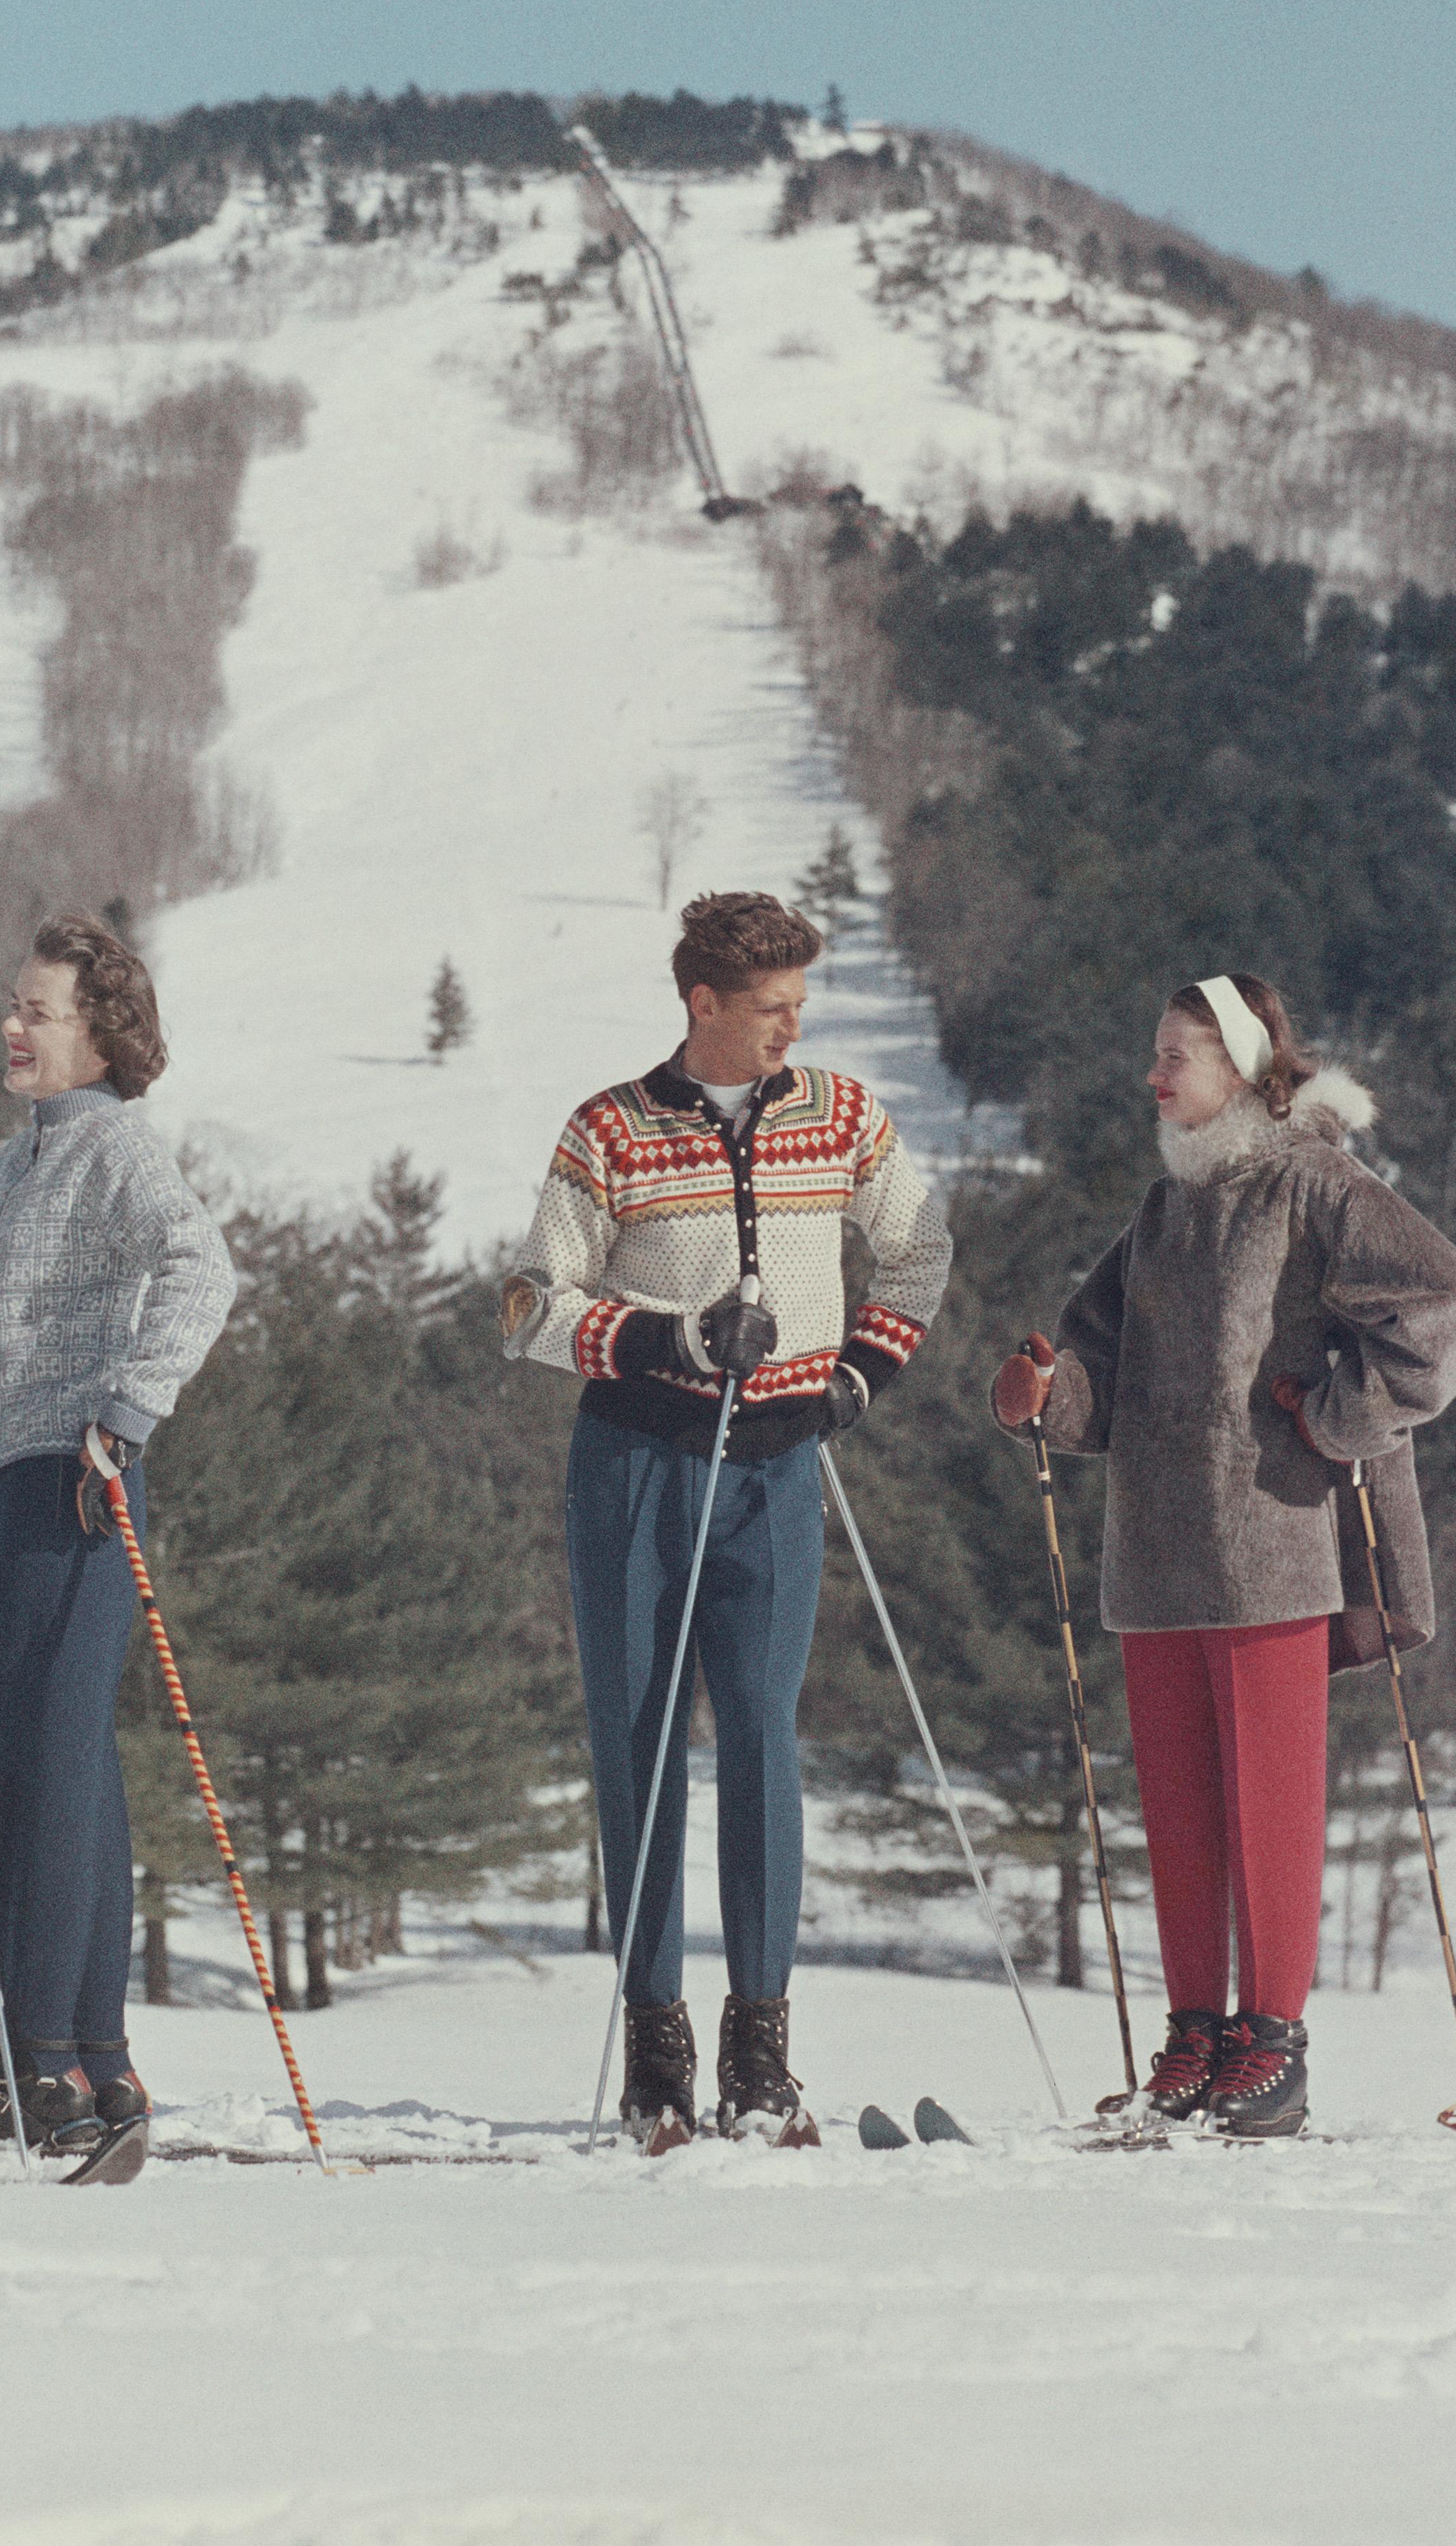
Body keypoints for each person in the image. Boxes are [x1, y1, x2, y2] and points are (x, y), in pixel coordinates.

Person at [990, 973, 1456, 2138]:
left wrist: (1335, 1417)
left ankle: (1271, 2041)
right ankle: (1196, 2035)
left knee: (1267, 1800)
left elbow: (1452, 1305)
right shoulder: (1166, 1210)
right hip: (1155, 1550)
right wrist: (1042, 1391)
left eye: (1177, 1054)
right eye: (1154, 1052)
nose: (1155, 1074)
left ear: (1245, 1066)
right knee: (1175, 1805)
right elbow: (1094, 1369)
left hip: (1273, 1538)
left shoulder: (1312, 1181)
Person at [504, 890, 951, 2144]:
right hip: (638, 1463)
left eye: (800, 1006)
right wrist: (672, 1334)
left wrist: (860, 1370)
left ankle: (763, 2051)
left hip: (776, 1468)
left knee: (760, 1737)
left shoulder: (843, 1114)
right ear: (701, 1002)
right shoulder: (611, 1129)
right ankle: (657, 2045)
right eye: (769, 1009)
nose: (789, 1031)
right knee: (638, 1744)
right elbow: (533, 1304)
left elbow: (921, 1251)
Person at [0, 914, 234, 2155]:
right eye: (15, 1003)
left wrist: (127, 1409)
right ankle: (81, 2054)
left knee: (51, 1768)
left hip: (74, 1478)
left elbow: (202, 1268)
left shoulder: (110, 1147)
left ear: (99, 1036)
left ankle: (44, 2061)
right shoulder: (23, 1156)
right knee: (57, 1764)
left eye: (37, 1011)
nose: (12, 1026)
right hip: (15, 1477)